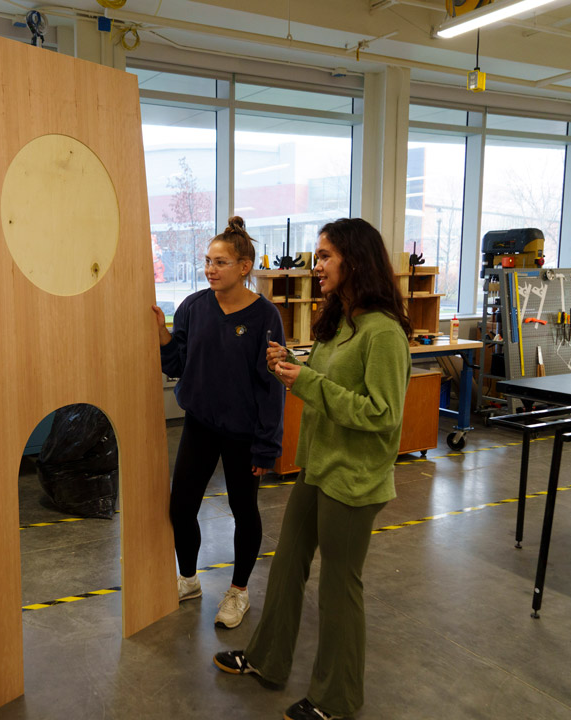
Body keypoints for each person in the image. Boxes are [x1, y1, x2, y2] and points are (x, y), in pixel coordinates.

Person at [212, 218, 411, 720]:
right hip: (319, 467)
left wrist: (308, 383)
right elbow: (328, 381)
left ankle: (337, 698)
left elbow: (384, 414)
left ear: (354, 260)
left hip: (354, 479)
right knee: (286, 567)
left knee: (339, 589)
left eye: (324, 256)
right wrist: (293, 364)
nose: (314, 265)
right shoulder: (343, 320)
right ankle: (267, 660)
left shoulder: (383, 332)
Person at [152, 216, 286, 629]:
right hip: (201, 425)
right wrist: (161, 335)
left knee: (243, 511)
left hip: (244, 434)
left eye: (220, 262)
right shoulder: (193, 307)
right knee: (181, 506)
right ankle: (189, 579)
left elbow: (271, 386)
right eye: (207, 261)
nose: (210, 269)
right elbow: (177, 364)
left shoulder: (265, 317)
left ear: (244, 267)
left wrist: (267, 445)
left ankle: (239, 591)